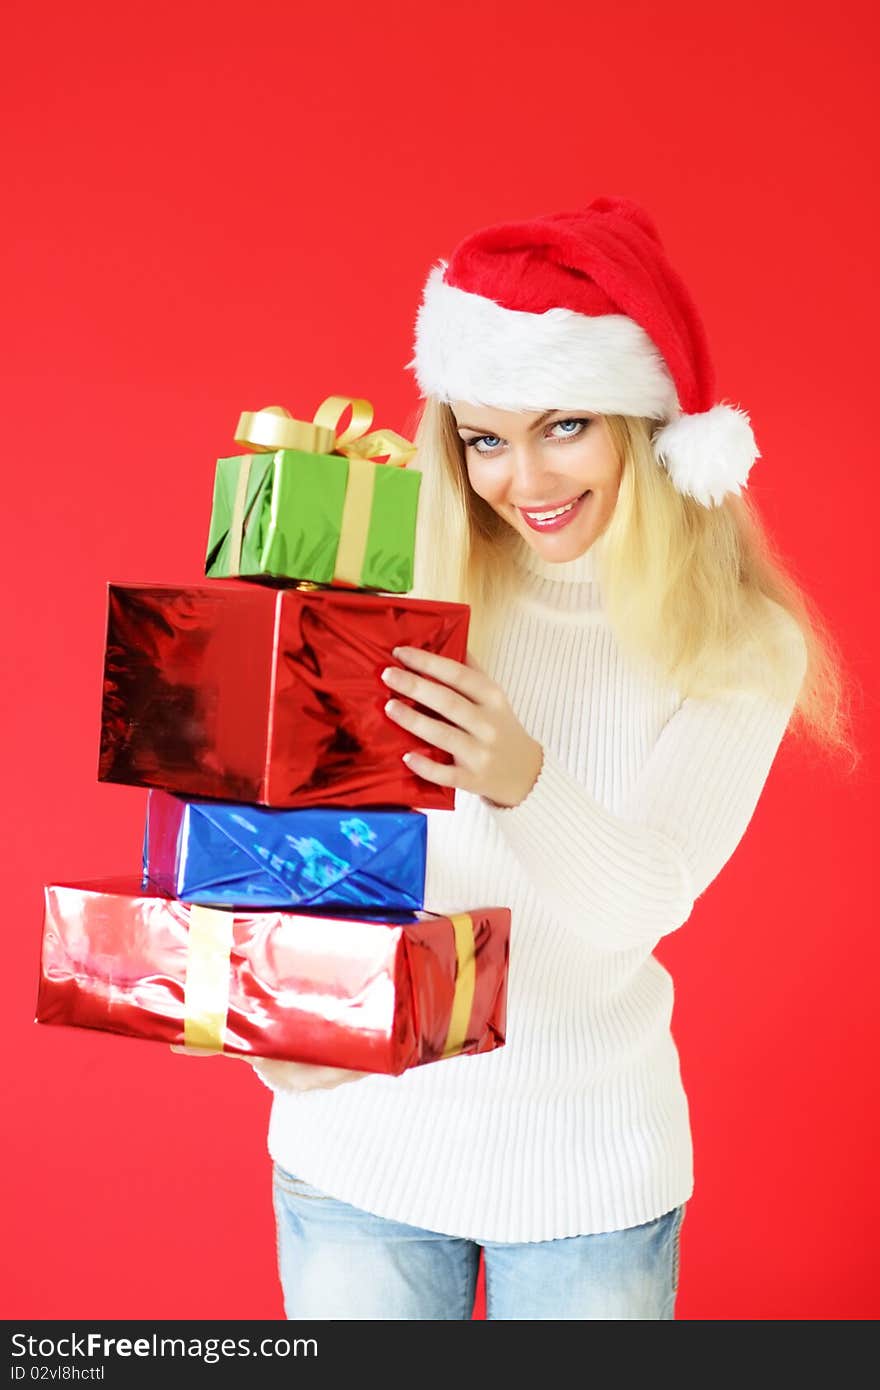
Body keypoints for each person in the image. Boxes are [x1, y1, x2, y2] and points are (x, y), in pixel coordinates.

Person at [176, 195, 852, 1320]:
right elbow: (285, 839)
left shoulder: (738, 640)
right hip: (357, 1152)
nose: (522, 482)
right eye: (485, 438)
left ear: (648, 424)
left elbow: (644, 901)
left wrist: (520, 774)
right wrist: (268, 1035)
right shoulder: (398, 579)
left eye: (565, 426)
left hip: (587, 1171)